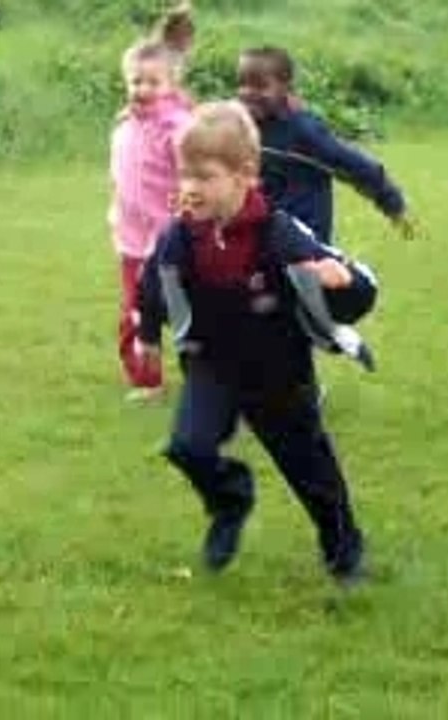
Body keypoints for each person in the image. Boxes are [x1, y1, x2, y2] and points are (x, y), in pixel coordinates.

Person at [136, 101, 370, 581]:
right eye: (184, 176)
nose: (189, 189)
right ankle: (230, 499)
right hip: (212, 364)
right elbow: (154, 285)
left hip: (277, 370)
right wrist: (148, 337)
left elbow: (353, 291)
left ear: (245, 174)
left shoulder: (279, 232)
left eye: (204, 177)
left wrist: (342, 282)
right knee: (187, 446)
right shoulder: (180, 237)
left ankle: (344, 552)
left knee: (311, 471)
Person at [236, 46, 415, 246]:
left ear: (286, 87)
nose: (248, 93)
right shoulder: (241, 125)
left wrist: (392, 203)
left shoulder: (304, 131)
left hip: (304, 241)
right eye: (243, 84)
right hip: (262, 234)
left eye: (260, 86)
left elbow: (352, 164)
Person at [108, 37, 194, 401]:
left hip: (171, 243)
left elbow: (194, 178)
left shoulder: (179, 129)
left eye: (152, 82)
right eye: (135, 81)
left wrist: (187, 219)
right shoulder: (126, 126)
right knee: (134, 314)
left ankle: (214, 381)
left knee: (190, 314)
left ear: (171, 84)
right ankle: (147, 380)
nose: (142, 89)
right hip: (131, 241)